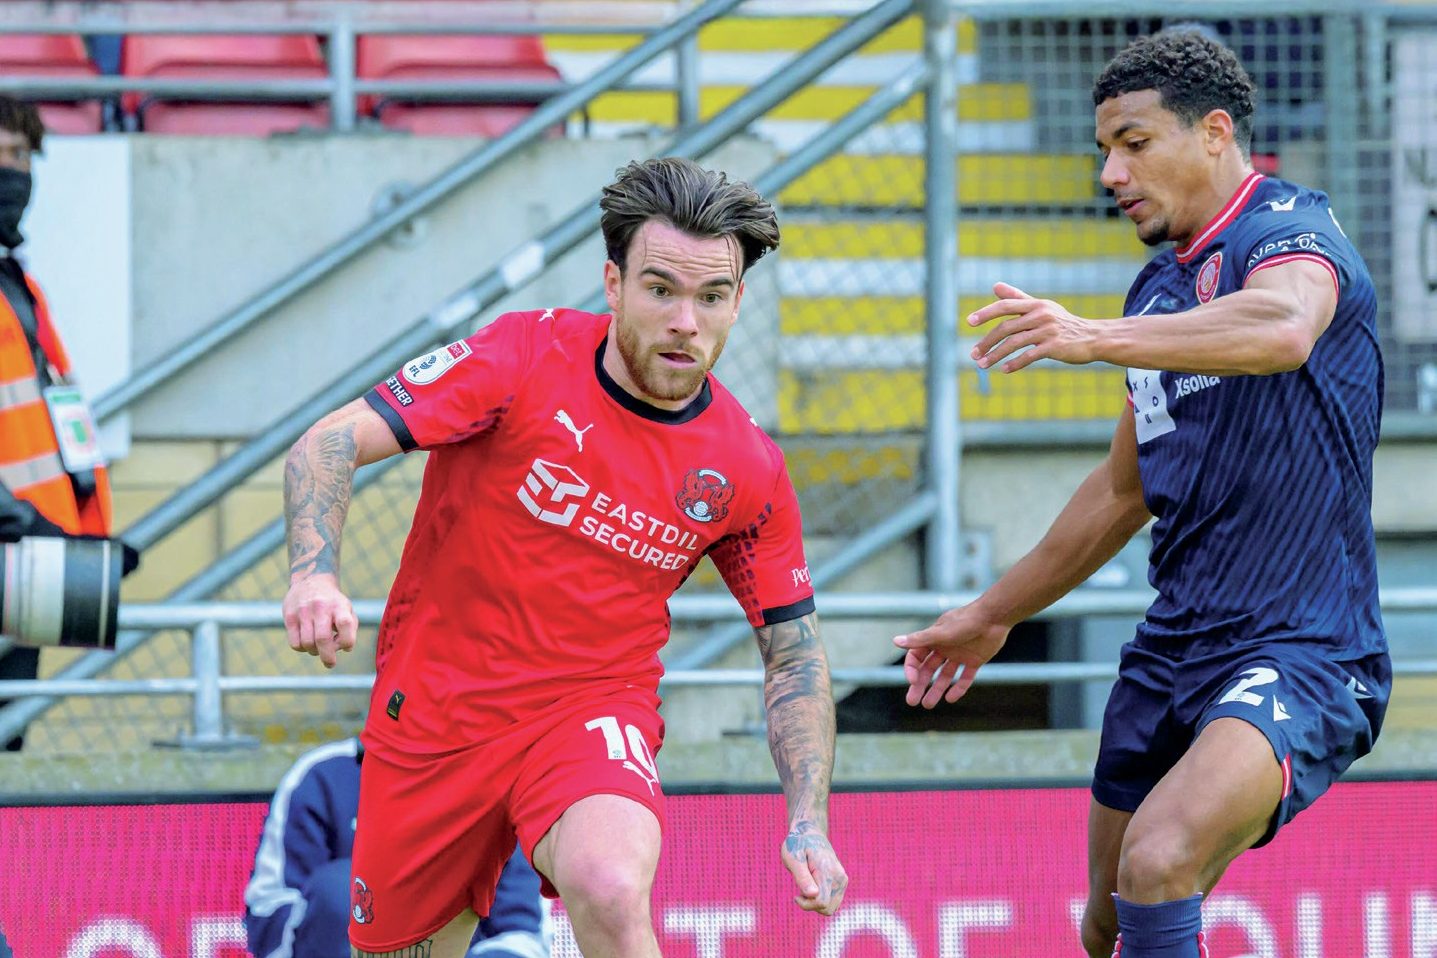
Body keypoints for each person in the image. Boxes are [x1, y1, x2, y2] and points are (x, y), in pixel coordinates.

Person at [894, 30, 1388, 958]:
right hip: (1173, 648)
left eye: (1133, 143)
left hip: (1302, 648)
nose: (1111, 172)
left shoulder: (1289, 230)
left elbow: (1283, 325)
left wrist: (1088, 336)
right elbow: (1122, 491)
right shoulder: (1158, 290)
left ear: (1212, 133)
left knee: (1159, 860)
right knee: (1108, 921)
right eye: (1102, 151)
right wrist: (991, 613)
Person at [281, 157, 848, 956]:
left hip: (587, 710)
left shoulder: (746, 466)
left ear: (738, 301)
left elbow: (792, 655)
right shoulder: (519, 358)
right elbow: (329, 443)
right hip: (436, 711)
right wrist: (314, 574)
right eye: (661, 290)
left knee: (611, 886)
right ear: (613, 284)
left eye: (711, 296)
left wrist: (807, 821)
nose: (686, 320)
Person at [0, 95, 117, 750]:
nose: (11, 172)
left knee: (7, 757)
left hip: (27, 568)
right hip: (19, 544)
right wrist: (25, 523)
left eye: (19, 155)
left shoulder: (17, 281)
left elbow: (49, 422)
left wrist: (85, 540)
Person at [244, 737, 551, 958]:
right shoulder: (324, 775)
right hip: (340, 947)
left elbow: (522, 938)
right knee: (342, 889)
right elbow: (268, 913)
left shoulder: (501, 784)